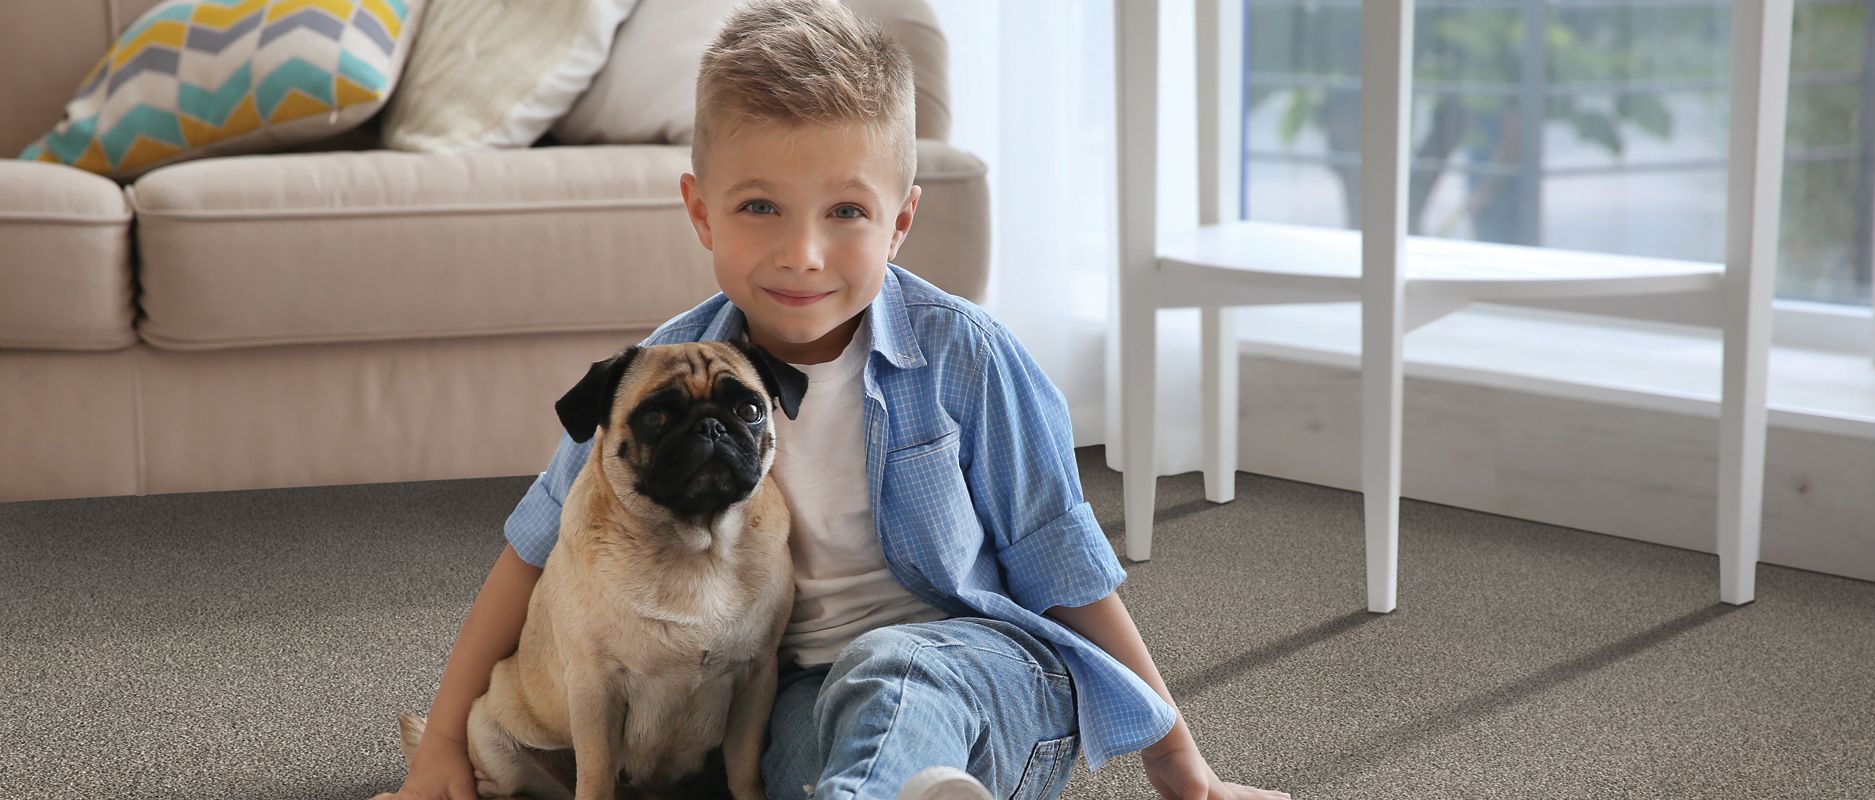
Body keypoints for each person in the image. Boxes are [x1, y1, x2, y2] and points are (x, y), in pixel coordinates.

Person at [372, 2, 1292, 799]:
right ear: (700, 211)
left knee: (895, 676)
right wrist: (447, 743)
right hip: (799, 687)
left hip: (981, 670)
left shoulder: (964, 356)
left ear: (900, 220)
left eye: (846, 212)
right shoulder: (662, 373)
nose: (802, 254)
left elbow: (1065, 565)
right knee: (802, 763)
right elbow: (532, 551)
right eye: (760, 208)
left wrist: (1179, 759)